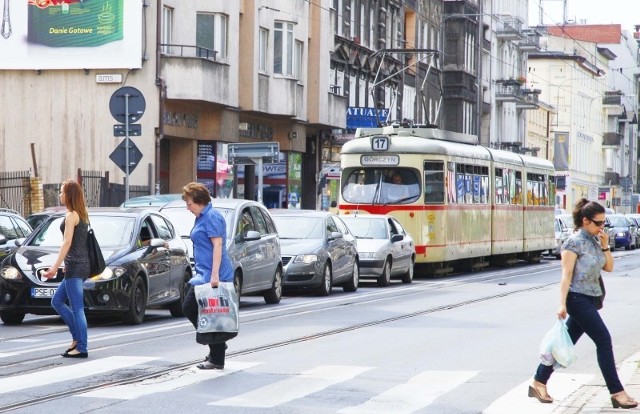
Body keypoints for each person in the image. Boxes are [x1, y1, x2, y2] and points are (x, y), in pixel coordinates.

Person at [529, 198, 637, 409]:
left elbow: (609, 268)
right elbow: (566, 275)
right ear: (585, 221)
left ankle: (539, 381)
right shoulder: (573, 243)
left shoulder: (596, 241)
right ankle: (617, 392)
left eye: (604, 223)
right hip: (577, 299)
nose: (602, 227)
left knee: (564, 343)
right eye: (598, 223)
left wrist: (605, 246)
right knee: (604, 340)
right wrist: (561, 304)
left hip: (591, 299)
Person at [181, 182, 234, 370]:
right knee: (199, 312)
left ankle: (217, 354)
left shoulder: (211, 217)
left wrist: (215, 276)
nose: (187, 207)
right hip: (203, 273)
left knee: (202, 312)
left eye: (189, 203)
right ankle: (217, 346)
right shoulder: (201, 217)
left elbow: (218, 246)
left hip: (213, 275)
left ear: (199, 201)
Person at [42, 179, 90, 358]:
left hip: (75, 266)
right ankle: (77, 339)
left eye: (62, 191)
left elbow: (67, 242)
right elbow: (77, 243)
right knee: (57, 301)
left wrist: (54, 267)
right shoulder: (82, 214)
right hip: (80, 264)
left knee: (78, 308)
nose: (59, 195)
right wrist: (64, 263)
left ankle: (82, 347)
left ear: (69, 195)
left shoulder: (71, 216)